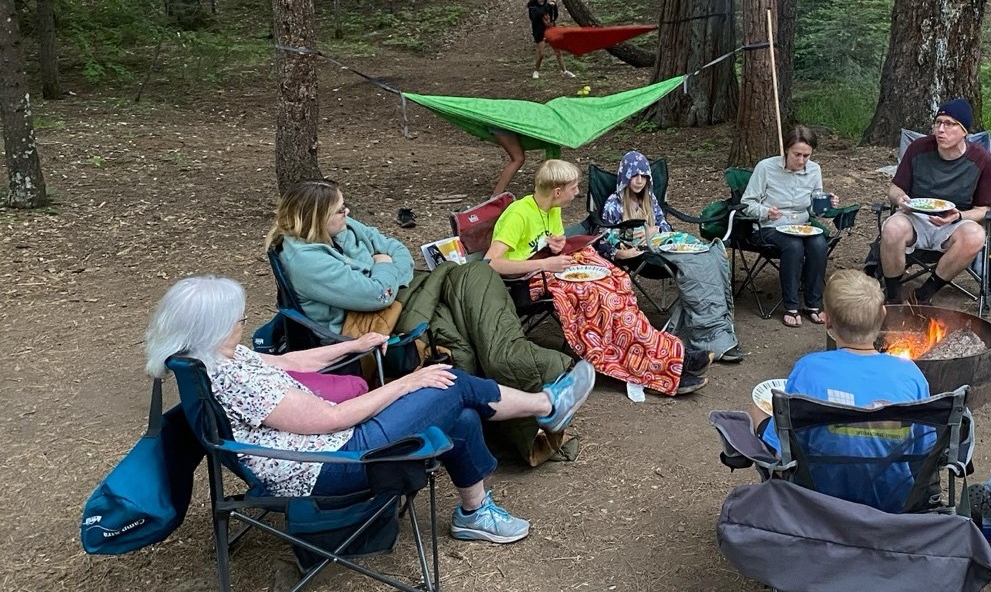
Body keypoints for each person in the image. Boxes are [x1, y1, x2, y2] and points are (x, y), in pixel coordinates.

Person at [144, 276, 597, 543]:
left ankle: (475, 513)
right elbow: (332, 419)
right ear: (212, 326)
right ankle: (545, 405)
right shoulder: (230, 377)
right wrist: (408, 381)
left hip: (327, 444)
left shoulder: (215, 356)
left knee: (457, 412)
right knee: (449, 382)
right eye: (237, 317)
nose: (244, 321)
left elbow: (287, 362)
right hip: (328, 462)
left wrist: (356, 345)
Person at [267, 180, 575, 466]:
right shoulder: (306, 261)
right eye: (339, 210)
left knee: (474, 278)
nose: (346, 213)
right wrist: (385, 269)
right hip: (370, 330)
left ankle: (514, 368)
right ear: (316, 219)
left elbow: (396, 249)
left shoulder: (341, 227)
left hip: (402, 299)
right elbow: (378, 295)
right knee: (463, 316)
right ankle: (523, 369)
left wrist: (385, 266)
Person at [485, 158, 710, 396]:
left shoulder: (551, 208)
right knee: (600, 298)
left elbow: (548, 244)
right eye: (574, 188)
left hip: (551, 268)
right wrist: (545, 262)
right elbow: (491, 263)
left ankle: (668, 356)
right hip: (529, 281)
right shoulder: (518, 215)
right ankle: (652, 368)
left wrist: (556, 245)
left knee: (616, 280)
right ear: (557, 191)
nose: (578, 192)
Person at [752, 270, 932, 511]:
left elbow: (784, 445)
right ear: (883, 315)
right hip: (894, 503)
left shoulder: (808, 368)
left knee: (757, 409)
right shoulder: (910, 374)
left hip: (820, 501)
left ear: (827, 321)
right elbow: (926, 450)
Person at [599, 150, 742, 363]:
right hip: (642, 255)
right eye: (634, 176)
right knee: (697, 267)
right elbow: (604, 237)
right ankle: (708, 335)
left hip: (663, 246)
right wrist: (621, 252)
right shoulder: (614, 204)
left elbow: (664, 226)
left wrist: (658, 232)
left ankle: (714, 330)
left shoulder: (650, 198)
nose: (639, 181)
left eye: (644, 176)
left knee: (709, 258)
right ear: (625, 177)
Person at [880, 97, 991, 304]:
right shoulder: (918, 148)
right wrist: (901, 199)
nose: (940, 130)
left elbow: (983, 209)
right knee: (892, 228)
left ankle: (923, 296)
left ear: (964, 131)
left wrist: (958, 216)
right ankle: (893, 298)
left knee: (975, 235)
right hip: (914, 217)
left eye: (949, 124)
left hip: (953, 224)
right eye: (938, 123)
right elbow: (894, 188)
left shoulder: (982, 160)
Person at [740, 126, 839, 328]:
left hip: (801, 225)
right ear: (786, 150)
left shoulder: (814, 169)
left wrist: (826, 203)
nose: (802, 161)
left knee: (819, 244)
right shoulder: (766, 168)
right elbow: (747, 203)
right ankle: (791, 306)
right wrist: (766, 211)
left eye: (806, 156)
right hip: (770, 226)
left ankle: (813, 304)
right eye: (797, 155)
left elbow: (814, 208)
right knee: (793, 246)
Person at [528, 0, 574, 80]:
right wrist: (548, 7)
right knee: (541, 54)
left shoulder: (547, 7)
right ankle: (536, 71)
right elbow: (535, 16)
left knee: (558, 52)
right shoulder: (533, 8)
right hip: (541, 34)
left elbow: (554, 16)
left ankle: (564, 71)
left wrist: (554, 7)